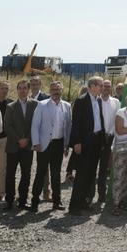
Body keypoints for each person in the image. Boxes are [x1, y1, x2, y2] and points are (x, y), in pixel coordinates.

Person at [30, 81, 72, 211]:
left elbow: (68, 127)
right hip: (44, 144)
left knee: (56, 174)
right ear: (49, 90)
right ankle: (34, 202)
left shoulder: (67, 106)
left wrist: (66, 146)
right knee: (40, 173)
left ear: (61, 90)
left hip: (59, 144)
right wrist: (36, 142)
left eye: (58, 89)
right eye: (53, 89)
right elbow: (35, 125)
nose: (55, 91)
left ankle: (57, 201)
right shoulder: (42, 105)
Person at [68, 76, 106, 215]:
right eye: (100, 85)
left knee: (90, 175)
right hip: (84, 143)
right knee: (82, 175)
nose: (102, 88)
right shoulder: (81, 101)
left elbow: (99, 121)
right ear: (92, 86)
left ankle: (84, 202)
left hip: (96, 142)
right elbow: (76, 123)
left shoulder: (98, 100)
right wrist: (76, 142)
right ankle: (74, 206)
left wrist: (102, 141)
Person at [4, 79, 37, 210]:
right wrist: (19, 139)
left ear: (28, 90)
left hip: (28, 146)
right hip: (13, 145)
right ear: (17, 90)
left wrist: (27, 139)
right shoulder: (10, 106)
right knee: (10, 174)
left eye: (25, 88)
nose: (22, 90)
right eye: (20, 88)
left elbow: (36, 124)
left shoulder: (35, 105)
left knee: (26, 174)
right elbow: (8, 126)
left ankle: (23, 200)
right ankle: (9, 200)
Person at [95, 79, 120, 203]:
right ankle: (89, 195)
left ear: (111, 88)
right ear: (101, 87)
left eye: (108, 86)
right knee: (92, 168)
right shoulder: (95, 101)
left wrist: (112, 136)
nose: (106, 88)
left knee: (104, 168)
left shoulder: (116, 102)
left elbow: (117, 120)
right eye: (104, 86)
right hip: (96, 139)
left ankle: (101, 195)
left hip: (109, 138)